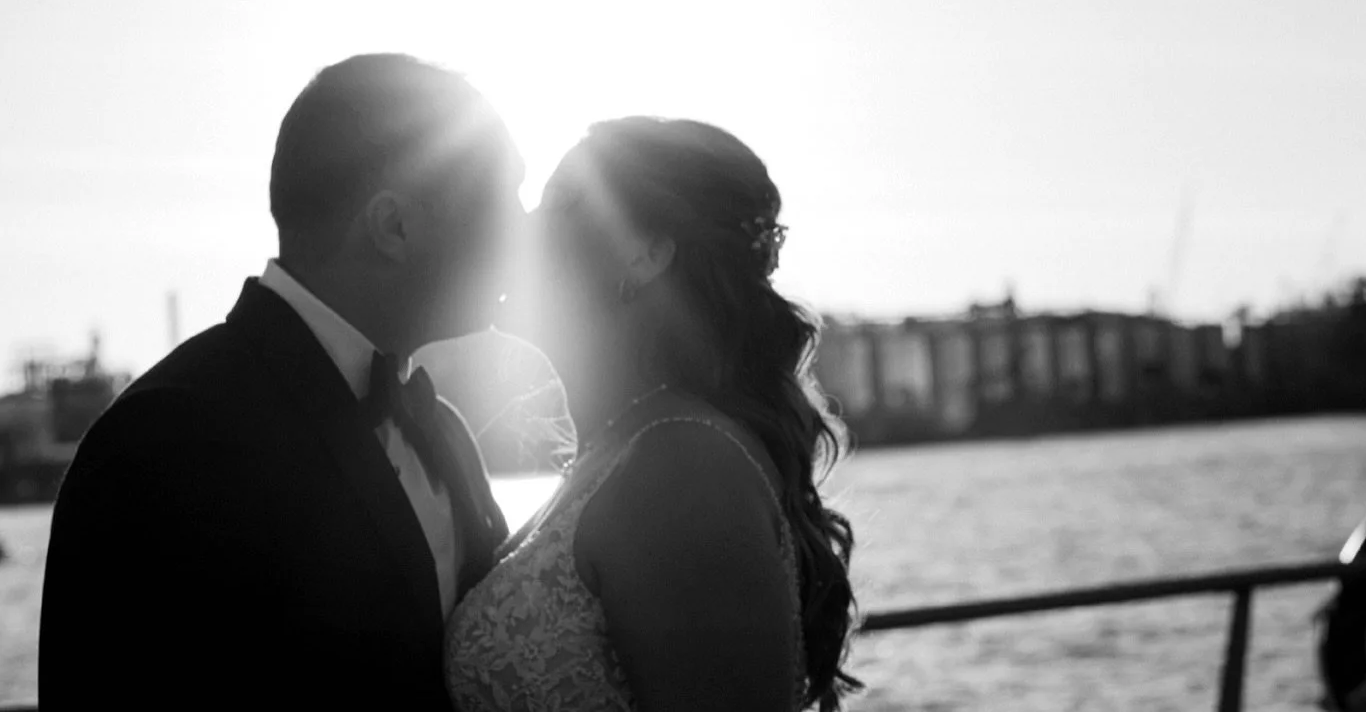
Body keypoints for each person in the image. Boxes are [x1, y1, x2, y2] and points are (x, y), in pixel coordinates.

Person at [40, 54, 521, 710]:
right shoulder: (164, 440)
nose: (523, 230)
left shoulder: (442, 429)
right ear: (394, 226)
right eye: (503, 200)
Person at [445, 117, 861, 712]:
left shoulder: (682, 469)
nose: (525, 226)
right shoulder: (626, 449)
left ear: (645, 254)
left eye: (559, 204)